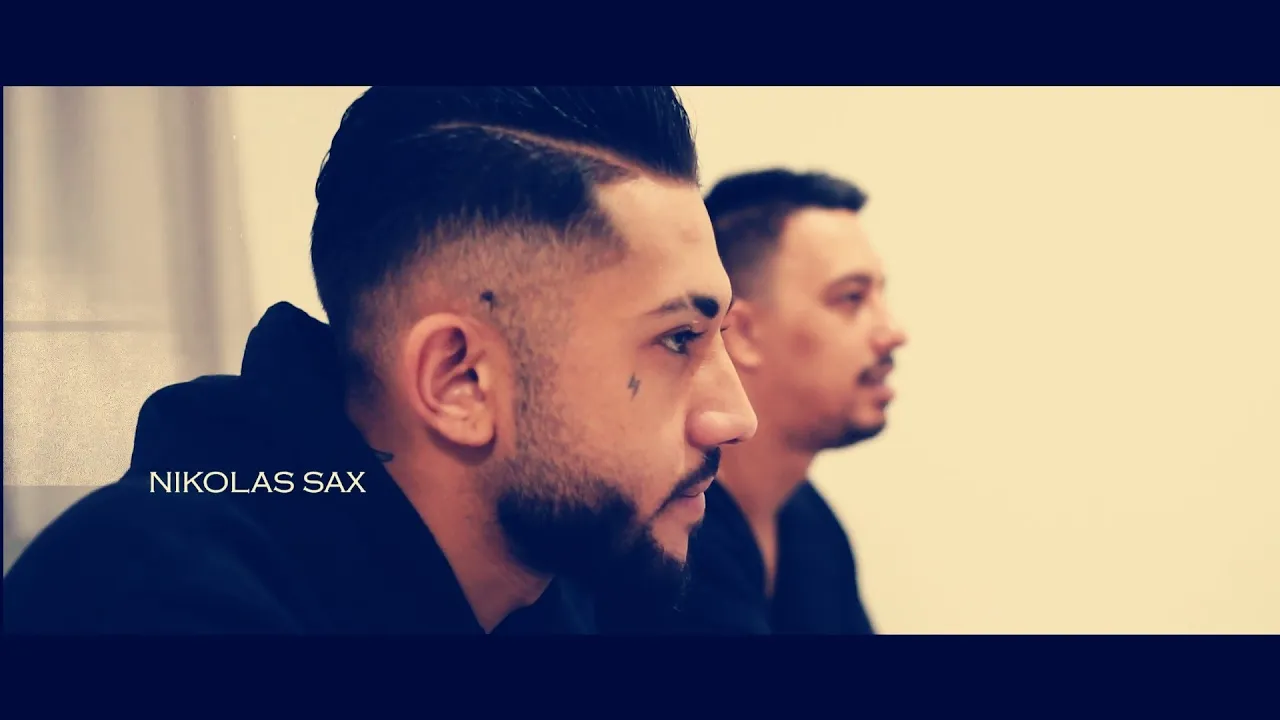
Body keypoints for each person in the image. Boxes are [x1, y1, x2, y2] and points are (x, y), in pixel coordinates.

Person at [2, 86, 757, 634]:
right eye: (678, 339)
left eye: (717, 333)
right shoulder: (147, 614)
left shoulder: (575, 581)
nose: (736, 416)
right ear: (459, 381)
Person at [596, 168, 907, 634]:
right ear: (741, 332)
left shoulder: (811, 527)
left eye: (881, 295)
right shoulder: (664, 537)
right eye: (851, 298)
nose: (892, 332)